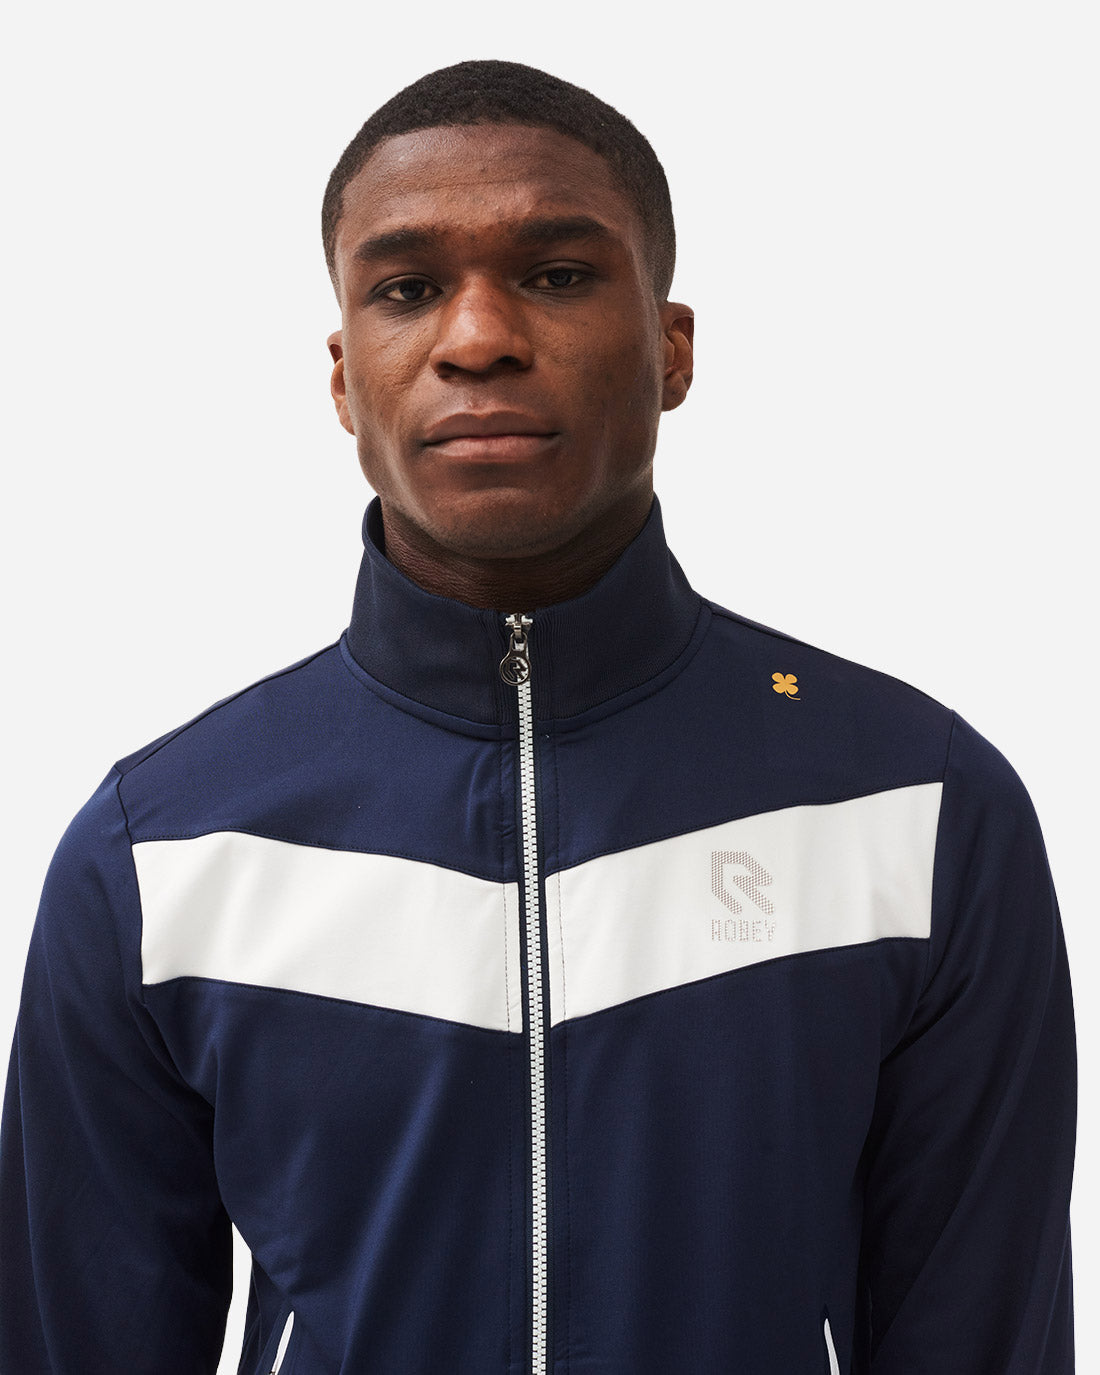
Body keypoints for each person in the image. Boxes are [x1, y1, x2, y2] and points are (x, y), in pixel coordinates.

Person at [0, 58, 1074, 1375]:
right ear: (344, 378)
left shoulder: (913, 811)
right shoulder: (162, 853)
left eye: (558, 275)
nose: (478, 338)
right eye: (407, 290)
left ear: (673, 350)